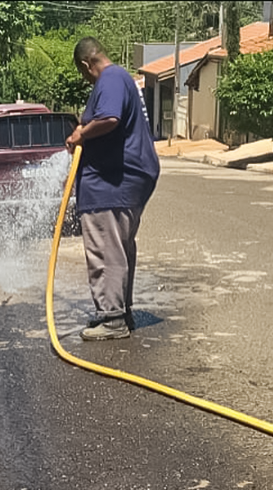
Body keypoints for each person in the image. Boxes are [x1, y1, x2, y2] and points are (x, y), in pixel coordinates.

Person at [66, 37, 160, 341]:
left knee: (105, 247)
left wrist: (81, 134)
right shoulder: (120, 79)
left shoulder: (110, 78)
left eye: (82, 73)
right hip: (123, 181)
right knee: (118, 247)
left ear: (86, 65)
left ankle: (113, 319)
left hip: (110, 183)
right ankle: (120, 311)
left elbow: (109, 118)